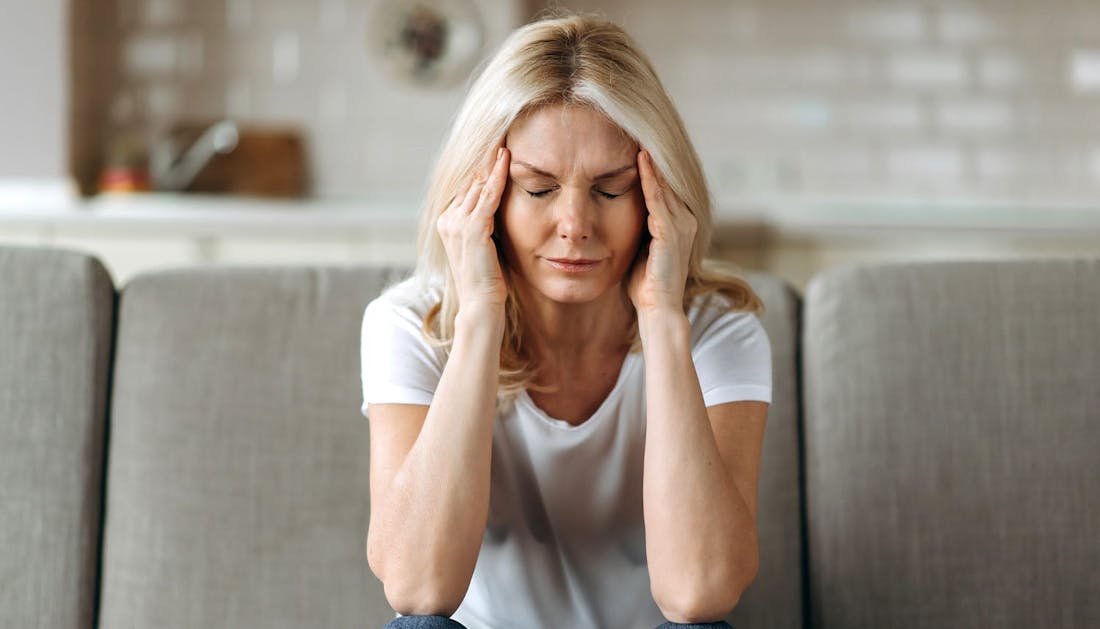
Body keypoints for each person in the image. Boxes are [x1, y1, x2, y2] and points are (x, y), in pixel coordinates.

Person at [360, 12, 771, 629]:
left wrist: (661, 319)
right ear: (484, 196)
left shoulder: (719, 331)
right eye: (538, 188)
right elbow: (417, 590)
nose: (575, 223)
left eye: (610, 189)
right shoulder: (409, 323)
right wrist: (478, 321)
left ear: (660, 197)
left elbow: (700, 594)